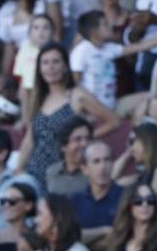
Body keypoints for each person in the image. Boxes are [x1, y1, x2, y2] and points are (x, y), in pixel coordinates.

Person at [17, 43, 117, 195]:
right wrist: (19, 167)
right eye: (45, 63)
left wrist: (83, 140)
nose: (51, 67)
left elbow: (113, 121)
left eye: (56, 62)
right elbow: (29, 140)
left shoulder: (77, 95)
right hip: (34, 172)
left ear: (65, 66)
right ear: (40, 69)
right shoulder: (39, 97)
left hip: (63, 173)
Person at [73, 139, 124, 251]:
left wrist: (85, 242)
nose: (103, 167)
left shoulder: (126, 197)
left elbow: (120, 240)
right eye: (96, 161)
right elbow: (69, 238)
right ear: (85, 169)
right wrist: (104, 230)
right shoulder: (74, 201)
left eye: (107, 160)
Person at [44, 114, 93, 198]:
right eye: (78, 139)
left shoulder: (96, 172)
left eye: (88, 138)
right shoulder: (51, 172)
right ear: (63, 146)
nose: (85, 144)